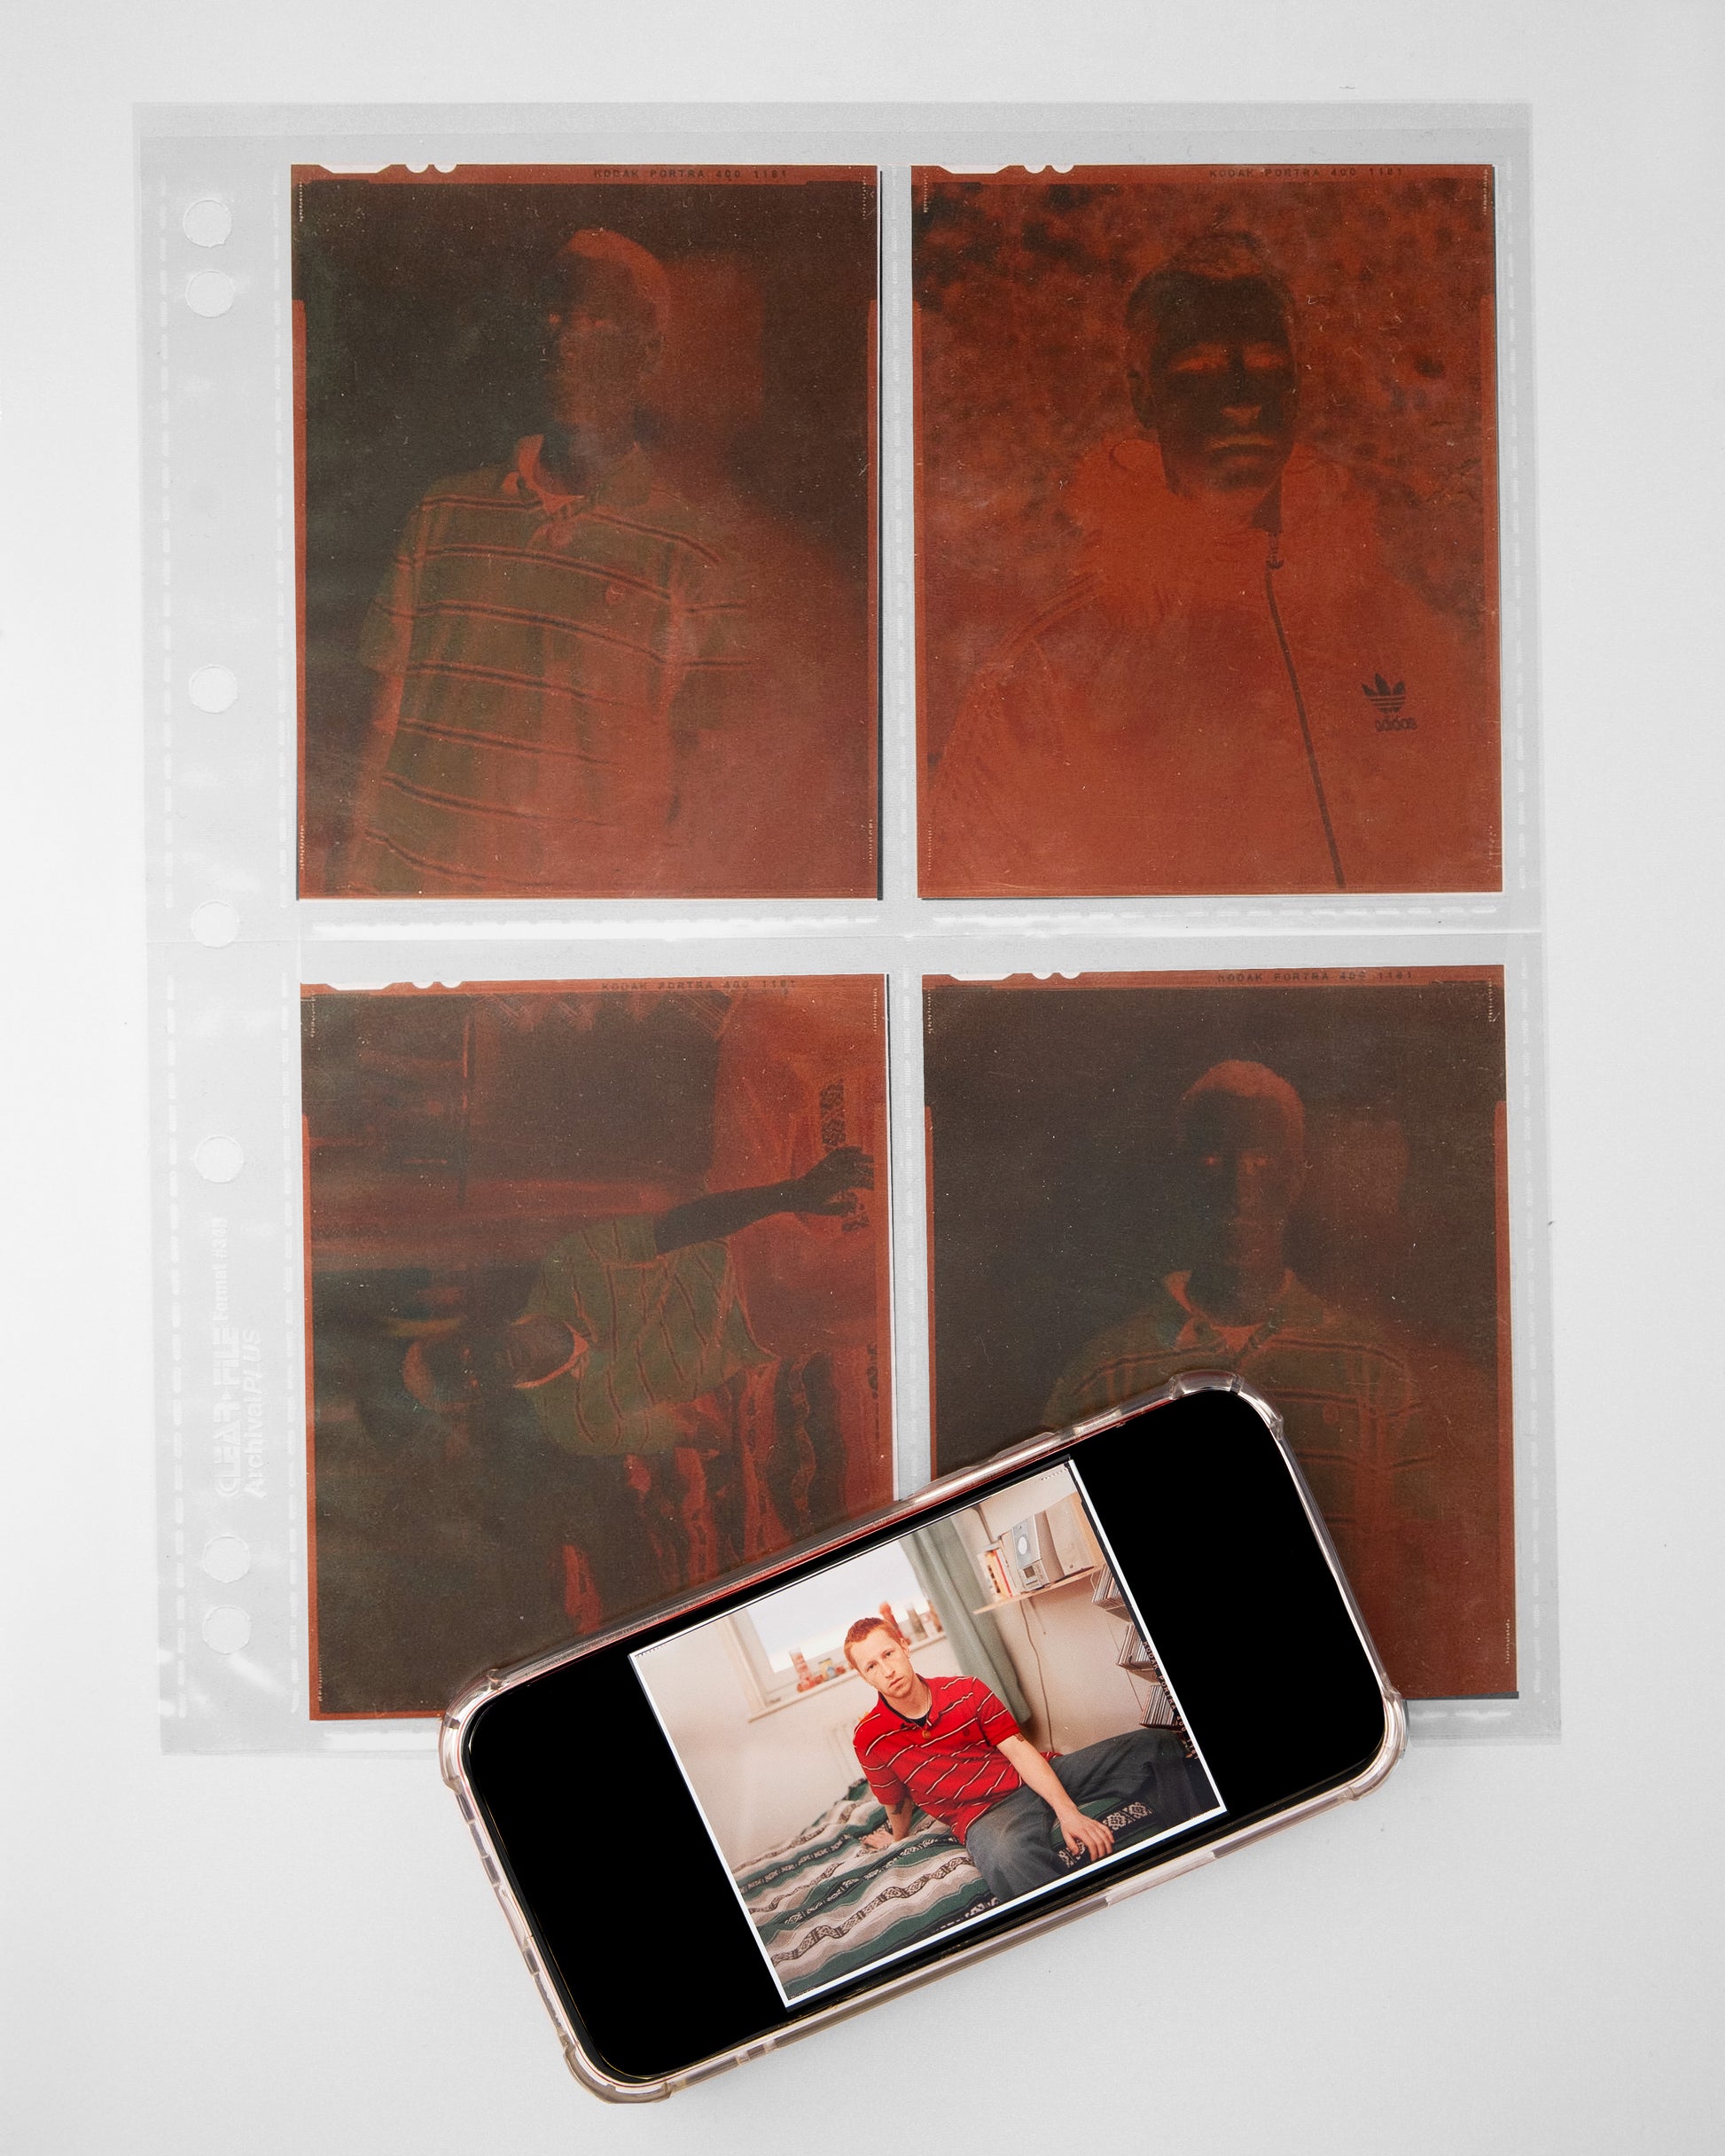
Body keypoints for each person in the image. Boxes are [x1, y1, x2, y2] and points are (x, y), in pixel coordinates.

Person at [925, 230, 1499, 897]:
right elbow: (972, 907)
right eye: (1197, 373)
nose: (1242, 398)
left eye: (1267, 367)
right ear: (1144, 398)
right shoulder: (1045, 673)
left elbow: (1479, 864)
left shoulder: (1408, 634)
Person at [340, 229, 748, 897]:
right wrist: (354, 890)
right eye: (555, 317)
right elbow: (380, 729)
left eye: (598, 322)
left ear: (648, 352)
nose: (567, 341)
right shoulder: (442, 514)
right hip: (420, 907)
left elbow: (704, 784)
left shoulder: (694, 555)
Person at [1044, 1061, 1438, 1665]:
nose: (1238, 1189)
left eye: (1263, 1162)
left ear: (1296, 1179)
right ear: (1182, 1176)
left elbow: (1424, 1569)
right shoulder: (1104, 1375)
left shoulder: (1375, 1371)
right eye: (1212, 1160)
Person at [402, 1147, 873, 1601]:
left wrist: (795, 1192)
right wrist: (721, 1441)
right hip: (759, 1333)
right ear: (483, 1399)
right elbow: (685, 1429)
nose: (480, 1366)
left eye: (463, 1353)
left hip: (744, 1255)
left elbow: (687, 1225)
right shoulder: (573, 1425)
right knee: (839, 1301)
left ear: (475, 1327)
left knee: (821, 1276)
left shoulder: (569, 1264)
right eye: (469, 1381)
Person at [846, 1618, 1206, 1903]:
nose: (887, 1670)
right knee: (1008, 1858)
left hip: (1034, 1775)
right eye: (872, 1666)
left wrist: (1068, 1811)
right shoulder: (869, 1738)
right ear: (864, 1677)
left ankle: (1194, 1850)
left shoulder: (966, 1690)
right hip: (983, 1815)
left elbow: (1020, 1752)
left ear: (905, 1646)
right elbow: (896, 1800)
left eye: (889, 1654)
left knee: (1154, 1744)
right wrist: (897, 1839)